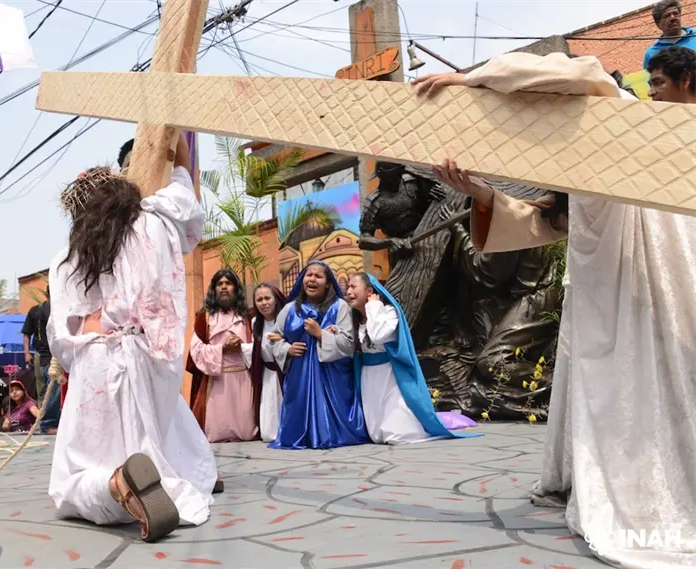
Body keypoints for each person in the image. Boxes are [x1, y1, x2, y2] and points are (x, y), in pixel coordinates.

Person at [412, 49, 696, 569]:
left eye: (659, 81)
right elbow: (540, 221)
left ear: (688, 82)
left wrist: (471, 77)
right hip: (610, 308)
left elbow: (582, 72)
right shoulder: (604, 138)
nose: (651, 90)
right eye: (649, 82)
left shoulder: (628, 118)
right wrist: (478, 191)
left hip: (675, 295)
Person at [46, 134, 217, 543]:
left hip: (93, 368)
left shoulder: (65, 259)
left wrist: (74, 356)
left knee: (73, 478)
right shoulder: (154, 223)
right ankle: (159, 477)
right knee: (156, 433)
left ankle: (115, 485)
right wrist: (174, 136)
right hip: (143, 355)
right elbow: (184, 193)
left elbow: (62, 337)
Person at [345, 273, 478, 444]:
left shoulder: (388, 313)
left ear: (369, 291)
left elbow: (378, 336)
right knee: (376, 435)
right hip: (368, 377)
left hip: (390, 376)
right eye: (348, 287)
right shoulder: (354, 319)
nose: (348, 291)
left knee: (397, 435)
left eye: (353, 287)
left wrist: (374, 306)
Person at [267, 261, 369, 450]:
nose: (312, 279)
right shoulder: (290, 309)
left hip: (333, 378)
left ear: (328, 283)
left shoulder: (340, 307)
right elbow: (273, 339)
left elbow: (349, 344)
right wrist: (287, 349)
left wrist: (320, 334)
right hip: (300, 377)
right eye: (309, 275)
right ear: (302, 279)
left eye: (318, 276)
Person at [187, 269, 257, 443]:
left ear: (236, 288)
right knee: (215, 433)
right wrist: (222, 349)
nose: (224, 287)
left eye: (228, 283)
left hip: (243, 379)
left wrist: (241, 346)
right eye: (220, 284)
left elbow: (260, 346)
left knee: (247, 433)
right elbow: (196, 350)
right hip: (216, 379)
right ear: (214, 289)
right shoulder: (204, 318)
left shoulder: (248, 316)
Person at [241, 283, 286, 443]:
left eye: (267, 298)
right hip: (267, 374)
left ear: (275, 299)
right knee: (268, 433)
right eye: (259, 300)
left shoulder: (286, 319)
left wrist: (282, 341)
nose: (264, 303)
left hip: (285, 372)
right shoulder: (255, 322)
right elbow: (256, 349)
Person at [22, 286, 59, 434]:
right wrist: (26, 353)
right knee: (48, 388)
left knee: (54, 388)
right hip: (43, 354)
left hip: (58, 354)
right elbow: (26, 333)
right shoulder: (36, 310)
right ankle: (46, 423)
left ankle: (50, 421)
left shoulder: (62, 308)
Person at [643, 1, 695, 70]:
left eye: (675, 13)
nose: (673, 18)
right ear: (658, 24)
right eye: (667, 16)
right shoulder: (651, 53)